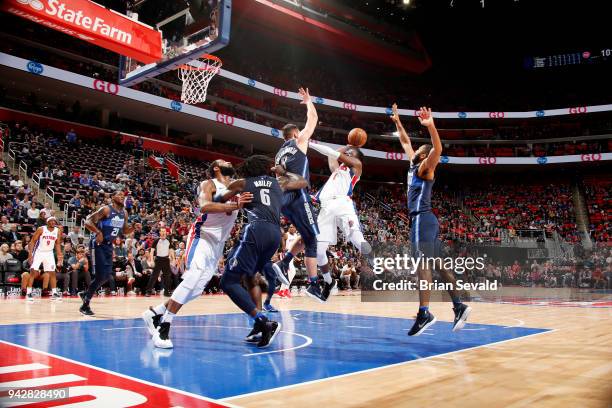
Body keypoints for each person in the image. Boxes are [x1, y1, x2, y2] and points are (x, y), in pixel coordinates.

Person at [142, 160, 246, 349]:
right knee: (193, 276)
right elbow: (205, 206)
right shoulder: (209, 184)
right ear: (215, 167)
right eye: (223, 161)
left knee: (197, 289)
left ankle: (154, 313)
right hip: (202, 236)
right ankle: (163, 326)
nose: (228, 161)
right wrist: (233, 206)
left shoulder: (236, 186)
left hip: (218, 244)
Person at [391, 104, 471, 336]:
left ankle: (424, 313)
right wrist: (397, 121)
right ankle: (459, 305)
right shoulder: (412, 165)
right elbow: (405, 141)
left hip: (422, 220)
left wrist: (431, 126)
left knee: (422, 266)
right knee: (438, 265)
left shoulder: (425, 168)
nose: (412, 149)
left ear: (423, 155)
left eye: (418, 149)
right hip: (428, 221)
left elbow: (437, 148)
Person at [220, 155, 304, 348]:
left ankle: (263, 321)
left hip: (256, 230)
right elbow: (301, 181)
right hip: (275, 235)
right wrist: (282, 171)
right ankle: (259, 325)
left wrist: (237, 201)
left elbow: (219, 199)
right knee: (250, 276)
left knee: (228, 281)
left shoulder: (243, 182)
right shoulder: (278, 182)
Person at [272, 87, 324, 301]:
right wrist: (309, 102)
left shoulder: (278, 154)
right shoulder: (298, 141)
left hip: (283, 199)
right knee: (313, 238)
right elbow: (313, 118)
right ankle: (313, 284)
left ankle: (284, 264)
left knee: (307, 235)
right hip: (298, 194)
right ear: (294, 134)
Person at [307, 141, 372, 300]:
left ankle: (376, 261)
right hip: (326, 207)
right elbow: (332, 153)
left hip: (343, 204)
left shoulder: (357, 166)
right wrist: (348, 145)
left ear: (356, 157)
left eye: (351, 153)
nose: (347, 154)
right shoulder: (337, 169)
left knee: (357, 240)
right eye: (347, 152)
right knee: (318, 250)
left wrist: (309, 143)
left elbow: (333, 152)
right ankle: (329, 281)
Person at [79, 190, 132, 315]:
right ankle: (85, 305)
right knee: (99, 275)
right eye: (118, 195)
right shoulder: (106, 210)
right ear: (113, 197)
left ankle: (86, 294)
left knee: (107, 276)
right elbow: (88, 221)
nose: (121, 197)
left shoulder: (124, 213)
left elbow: (124, 231)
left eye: (123, 196)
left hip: (108, 245)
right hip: (97, 244)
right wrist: (98, 232)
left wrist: (134, 227)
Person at [26, 216, 63, 301]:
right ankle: (28, 293)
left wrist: (59, 255)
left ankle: (54, 293)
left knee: (52, 272)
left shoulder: (57, 231)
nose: (53, 222)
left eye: (54, 221)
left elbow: (57, 244)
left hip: (49, 253)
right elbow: (32, 241)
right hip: (38, 252)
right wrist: (30, 254)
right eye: (51, 221)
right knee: (33, 272)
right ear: (47, 222)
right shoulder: (41, 229)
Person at [144, 228, 174, 297]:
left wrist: (173, 259)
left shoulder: (168, 240)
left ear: (166, 232)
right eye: (162, 231)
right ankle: (148, 291)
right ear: (160, 233)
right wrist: (152, 260)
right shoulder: (156, 241)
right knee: (154, 276)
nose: (163, 233)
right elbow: (151, 251)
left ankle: (166, 292)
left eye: (164, 231)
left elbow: (171, 250)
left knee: (167, 277)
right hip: (158, 259)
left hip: (166, 260)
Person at [277, 225, 300, 298]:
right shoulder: (286, 235)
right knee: (292, 272)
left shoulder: (296, 235)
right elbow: (284, 248)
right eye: (290, 227)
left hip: (291, 255)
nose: (291, 228)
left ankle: (282, 291)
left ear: (296, 228)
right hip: (285, 255)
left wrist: (295, 255)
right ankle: (286, 290)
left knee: (290, 273)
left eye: (293, 227)